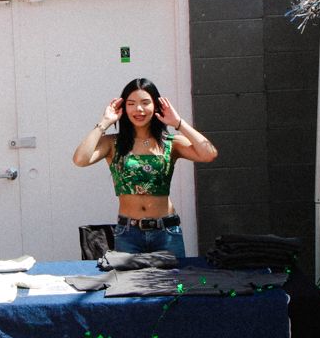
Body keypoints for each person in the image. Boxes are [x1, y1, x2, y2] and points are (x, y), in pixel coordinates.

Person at [72, 78, 218, 258]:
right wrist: (104, 123)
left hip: (166, 232)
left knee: (174, 277)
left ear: (156, 106)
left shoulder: (170, 143)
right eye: (131, 104)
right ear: (123, 108)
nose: (139, 109)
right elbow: (80, 159)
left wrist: (178, 122)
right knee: (129, 278)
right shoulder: (113, 143)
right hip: (128, 233)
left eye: (145, 102)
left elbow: (209, 154)